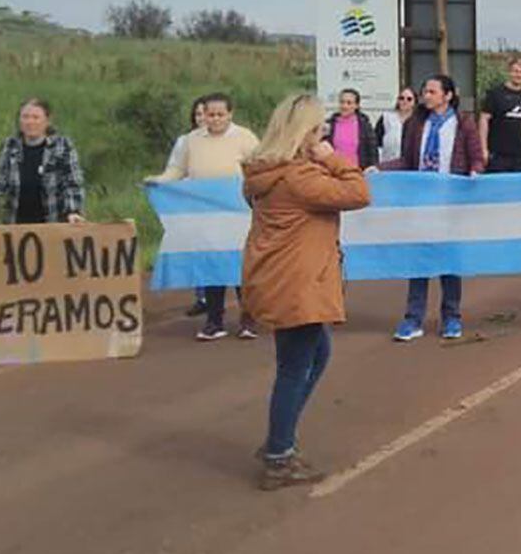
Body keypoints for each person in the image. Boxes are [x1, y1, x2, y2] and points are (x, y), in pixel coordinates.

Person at [238, 93, 371, 490]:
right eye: (318, 128)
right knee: (295, 368)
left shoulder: (265, 173)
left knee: (315, 354)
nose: (324, 132)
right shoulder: (299, 177)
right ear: (305, 133)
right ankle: (279, 453)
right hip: (298, 282)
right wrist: (330, 156)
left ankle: (280, 438)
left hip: (279, 277)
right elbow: (359, 193)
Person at [147, 93, 261, 340]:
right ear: (203, 115)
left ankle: (249, 319)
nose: (215, 119)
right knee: (210, 266)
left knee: (242, 266)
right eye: (211, 114)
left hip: (239, 214)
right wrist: (159, 181)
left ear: (230, 114)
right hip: (205, 216)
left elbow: (260, 168)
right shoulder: (191, 140)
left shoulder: (245, 137)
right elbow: (177, 169)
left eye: (221, 114)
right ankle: (214, 321)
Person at [383, 75, 484, 342]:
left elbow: (477, 158)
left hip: (450, 205)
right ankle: (412, 318)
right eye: (424, 91)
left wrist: (474, 172)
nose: (425, 95)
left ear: (447, 95)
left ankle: (451, 317)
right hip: (420, 204)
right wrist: (379, 169)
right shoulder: (416, 123)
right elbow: (406, 160)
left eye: (431, 91)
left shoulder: (463, 124)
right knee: (418, 261)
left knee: (449, 261)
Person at [0, 98, 87, 231]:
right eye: (25, 117)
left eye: (36, 117)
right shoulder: (9, 147)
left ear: (47, 121)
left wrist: (73, 212)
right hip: (15, 226)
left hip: (52, 225)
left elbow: (72, 183)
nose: (30, 122)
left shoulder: (62, 146)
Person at [161, 95, 210, 317]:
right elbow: (175, 168)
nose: (202, 118)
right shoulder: (185, 141)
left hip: (222, 205)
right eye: (198, 114)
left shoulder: (233, 138)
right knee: (198, 251)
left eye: (206, 113)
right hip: (194, 203)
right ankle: (203, 297)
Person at [481, 57, 521, 172]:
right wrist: (483, 149)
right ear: (509, 72)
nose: (518, 75)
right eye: (516, 71)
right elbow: (484, 120)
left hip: (520, 156)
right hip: (497, 155)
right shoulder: (494, 94)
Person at [324, 88, 379, 170]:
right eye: (342, 102)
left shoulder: (364, 125)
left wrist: (372, 167)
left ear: (356, 105)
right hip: (334, 171)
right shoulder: (330, 124)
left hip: (358, 172)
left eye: (349, 103)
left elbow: (372, 150)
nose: (345, 106)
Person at [376, 87, 415, 166]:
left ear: (414, 102)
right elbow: (377, 141)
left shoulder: (418, 120)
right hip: (387, 163)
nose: (405, 101)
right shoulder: (386, 117)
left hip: (410, 166)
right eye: (401, 98)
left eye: (409, 99)